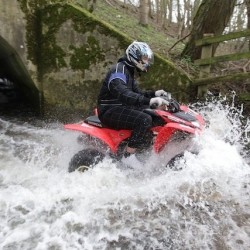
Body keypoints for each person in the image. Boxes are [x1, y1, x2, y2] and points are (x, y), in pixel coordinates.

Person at [97, 41, 171, 158]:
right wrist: (150, 101)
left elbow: (138, 94)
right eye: (145, 58)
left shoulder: (128, 71)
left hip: (122, 108)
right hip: (109, 110)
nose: (147, 62)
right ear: (135, 56)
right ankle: (127, 157)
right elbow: (123, 93)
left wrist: (154, 94)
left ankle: (146, 148)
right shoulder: (119, 71)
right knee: (144, 119)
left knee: (157, 116)